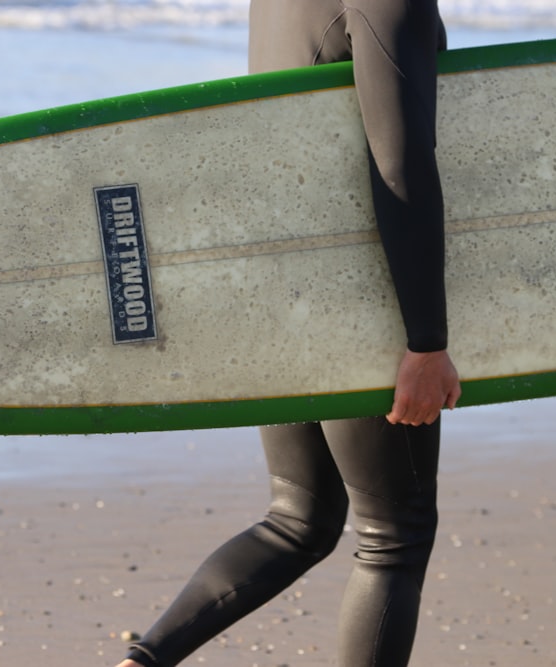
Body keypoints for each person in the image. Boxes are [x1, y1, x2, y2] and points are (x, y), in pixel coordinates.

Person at [114, 1, 462, 666]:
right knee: (396, 536)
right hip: (351, 298)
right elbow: (400, 163)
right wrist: (426, 342)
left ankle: (144, 660)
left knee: (298, 521)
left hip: (278, 289)